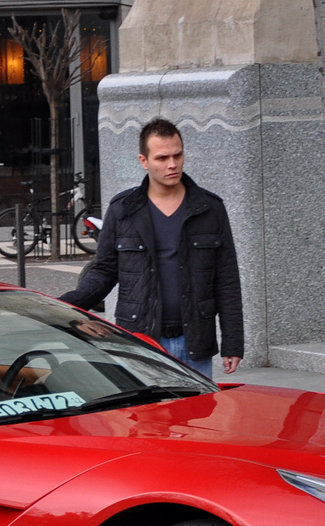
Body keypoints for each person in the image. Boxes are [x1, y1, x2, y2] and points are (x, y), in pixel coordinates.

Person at [60, 117, 242, 377]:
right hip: (140, 343)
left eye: (178, 155)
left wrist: (233, 343)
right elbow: (104, 271)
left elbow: (226, 280)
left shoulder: (210, 208)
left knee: (195, 418)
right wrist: (65, 308)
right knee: (145, 418)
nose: (172, 164)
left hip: (195, 343)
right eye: (162, 158)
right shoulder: (123, 209)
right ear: (144, 161)